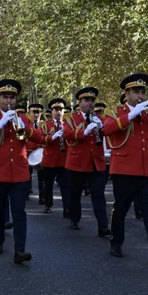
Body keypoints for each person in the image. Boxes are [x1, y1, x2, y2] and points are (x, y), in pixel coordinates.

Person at [0, 79, 52, 262]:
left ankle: (20, 250)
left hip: (19, 173)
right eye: (5, 97)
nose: (8, 101)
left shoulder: (23, 118)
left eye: (12, 97)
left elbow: (38, 138)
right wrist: (1, 123)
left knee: (19, 212)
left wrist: (24, 125)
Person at [102, 73, 148, 268]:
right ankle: (116, 242)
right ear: (127, 94)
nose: (140, 95)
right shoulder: (115, 113)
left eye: (143, 92)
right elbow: (107, 130)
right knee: (121, 210)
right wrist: (131, 114)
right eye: (136, 92)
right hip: (124, 170)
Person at [62, 88, 110, 237]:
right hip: (78, 162)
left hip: (96, 162)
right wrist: (83, 132)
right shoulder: (70, 118)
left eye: (92, 101)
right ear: (80, 102)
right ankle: (75, 218)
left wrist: (102, 127)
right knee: (75, 193)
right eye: (86, 101)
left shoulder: (99, 118)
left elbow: (109, 133)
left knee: (98, 195)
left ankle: (103, 226)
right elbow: (67, 134)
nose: (90, 103)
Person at [39, 98, 71, 217]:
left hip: (64, 160)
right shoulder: (45, 125)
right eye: (56, 110)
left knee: (66, 186)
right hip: (50, 160)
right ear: (51, 111)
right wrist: (52, 137)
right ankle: (48, 203)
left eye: (61, 110)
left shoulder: (68, 124)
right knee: (48, 185)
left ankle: (67, 207)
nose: (58, 112)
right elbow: (40, 139)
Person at [27, 103, 46, 202]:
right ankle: (26, 193)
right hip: (27, 153)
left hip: (40, 154)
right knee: (26, 175)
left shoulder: (44, 125)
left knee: (42, 178)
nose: (36, 114)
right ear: (29, 112)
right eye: (34, 112)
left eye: (38, 112)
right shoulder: (26, 124)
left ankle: (42, 197)